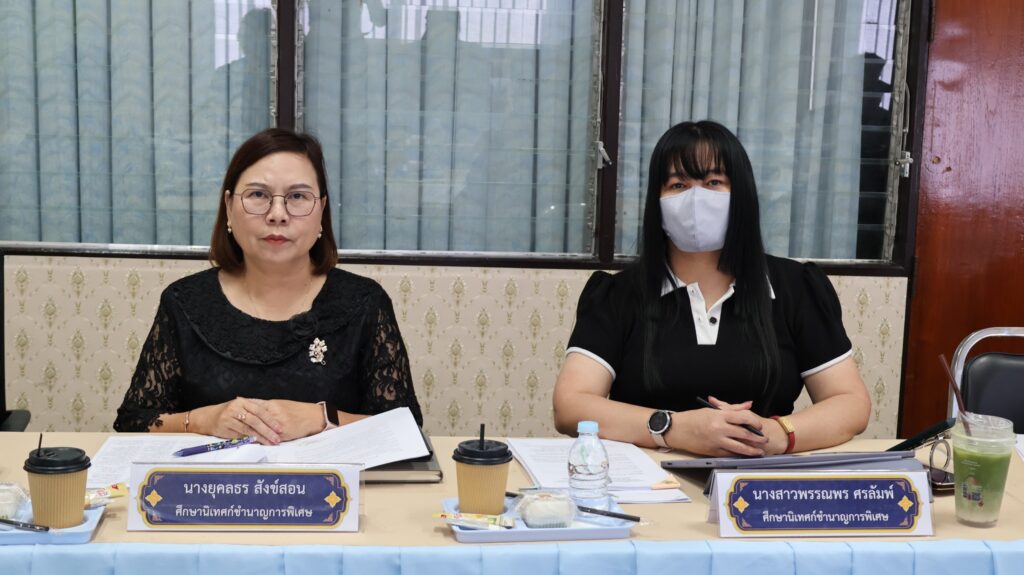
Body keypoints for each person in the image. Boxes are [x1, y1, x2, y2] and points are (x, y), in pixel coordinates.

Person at [553, 121, 870, 457]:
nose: (696, 198)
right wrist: (673, 428)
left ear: (742, 194)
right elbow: (570, 405)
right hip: (648, 480)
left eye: (713, 182)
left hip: (760, 475)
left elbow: (850, 403)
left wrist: (777, 434)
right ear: (656, 201)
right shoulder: (616, 295)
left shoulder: (796, 287)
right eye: (678, 184)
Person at [114, 129, 422, 442]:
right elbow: (133, 422)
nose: (277, 215)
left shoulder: (364, 302)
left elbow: (405, 429)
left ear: (321, 211)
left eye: (298, 197)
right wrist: (204, 420)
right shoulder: (184, 302)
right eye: (258, 195)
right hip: (212, 475)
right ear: (229, 207)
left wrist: (321, 418)